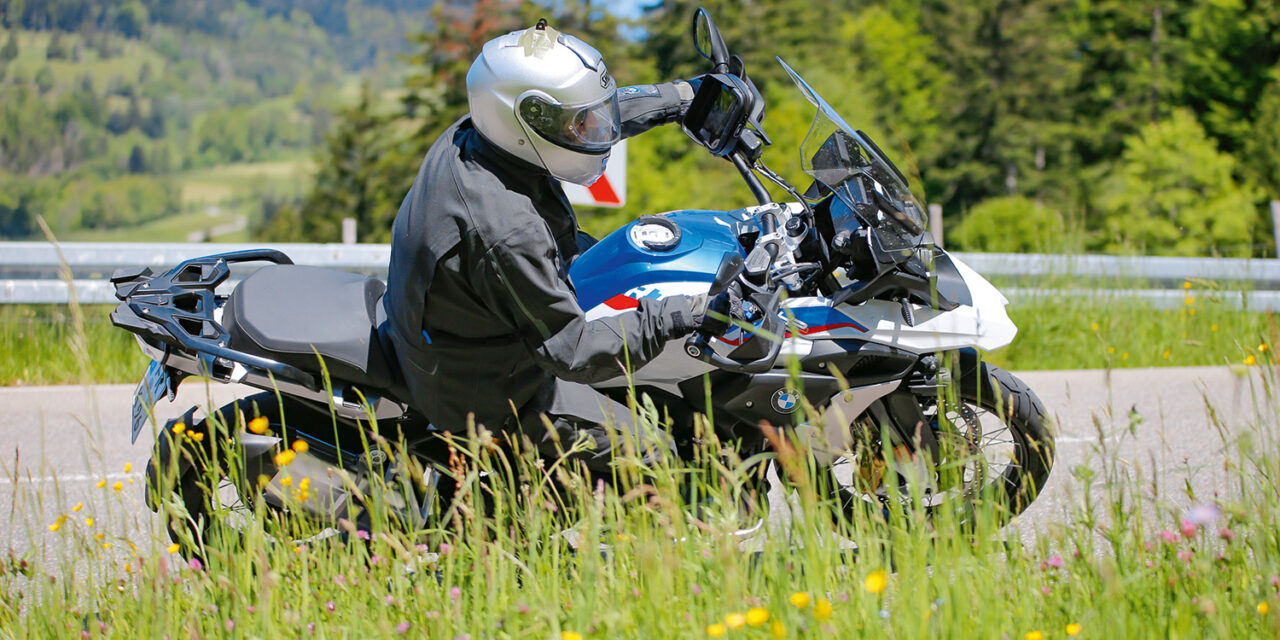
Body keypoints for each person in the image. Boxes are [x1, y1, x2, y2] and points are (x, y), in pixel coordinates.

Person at [383, 19, 706, 475]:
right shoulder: (506, 227)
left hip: (469, 331)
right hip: (488, 388)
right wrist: (685, 313)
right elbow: (571, 350)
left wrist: (683, 97)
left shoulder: (483, 134)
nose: (593, 132)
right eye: (578, 123)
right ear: (523, 120)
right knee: (658, 456)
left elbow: (590, 121)